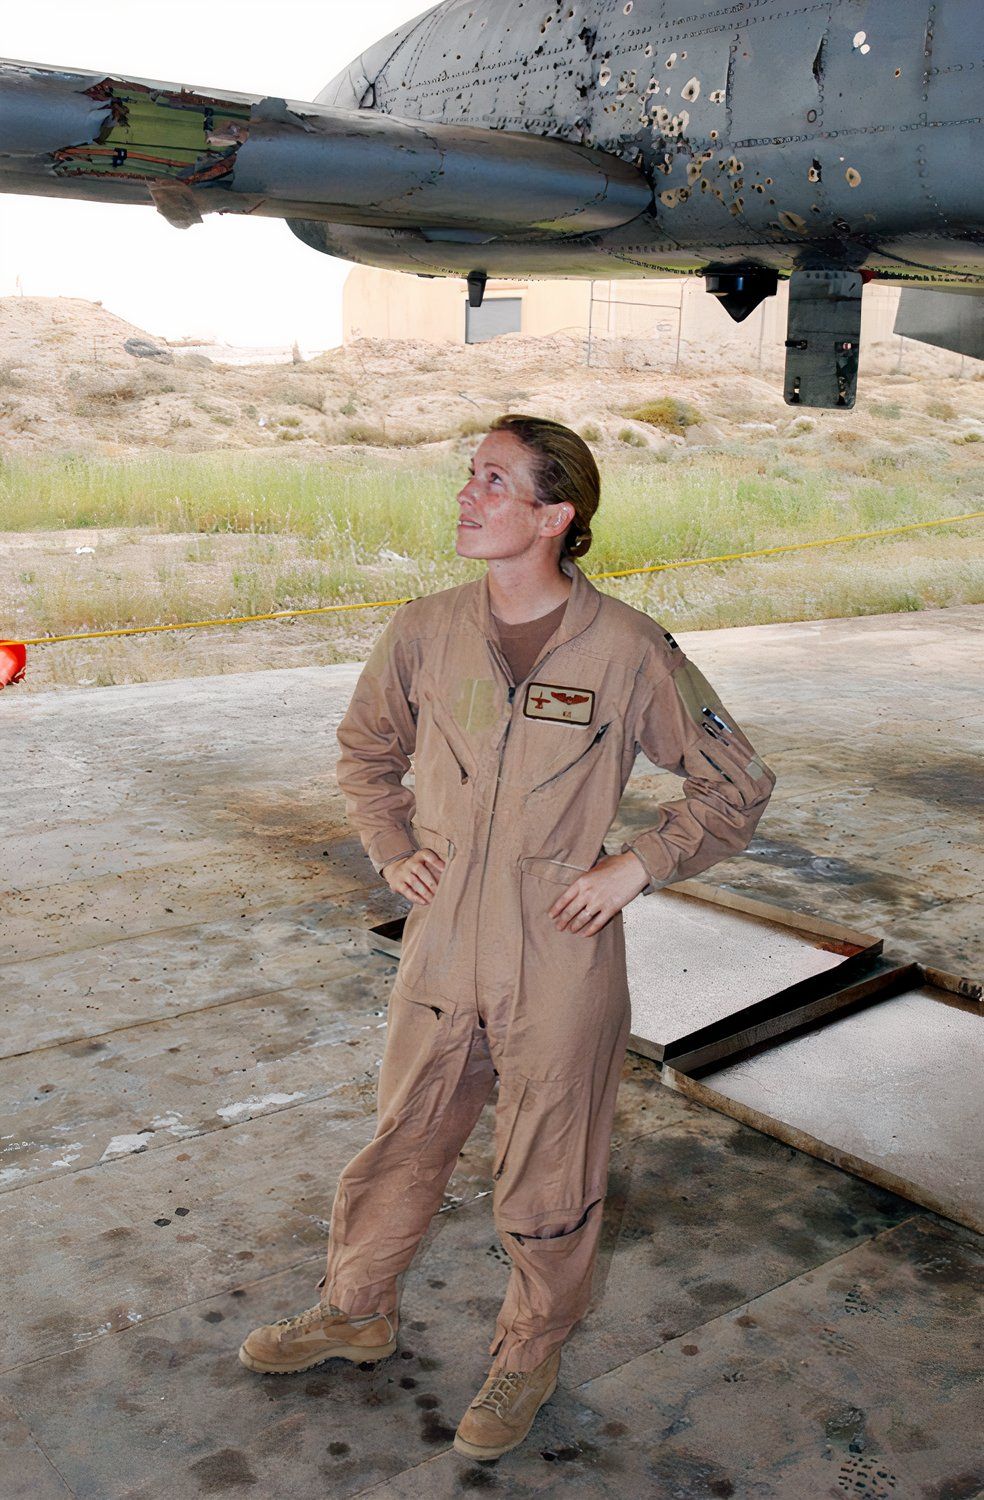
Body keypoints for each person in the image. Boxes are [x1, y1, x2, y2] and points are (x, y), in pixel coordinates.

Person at [239, 414, 776, 1460]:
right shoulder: (425, 630)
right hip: (440, 943)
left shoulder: (626, 648)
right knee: (405, 1137)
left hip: (558, 953)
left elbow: (735, 784)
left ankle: (529, 1351)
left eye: (492, 480)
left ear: (554, 514)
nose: (465, 496)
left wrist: (637, 865)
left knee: (549, 1166)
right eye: (467, 477)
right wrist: (393, 848)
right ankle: (356, 1308)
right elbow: (365, 752)